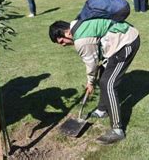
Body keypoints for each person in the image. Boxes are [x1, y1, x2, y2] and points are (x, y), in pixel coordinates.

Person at [48, 17, 140, 145]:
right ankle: (102, 110)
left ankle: (117, 130)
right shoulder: (77, 25)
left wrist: (90, 83)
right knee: (103, 75)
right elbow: (97, 59)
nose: (63, 44)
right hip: (115, 43)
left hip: (126, 42)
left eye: (62, 40)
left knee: (108, 84)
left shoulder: (81, 41)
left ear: (67, 32)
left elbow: (91, 64)